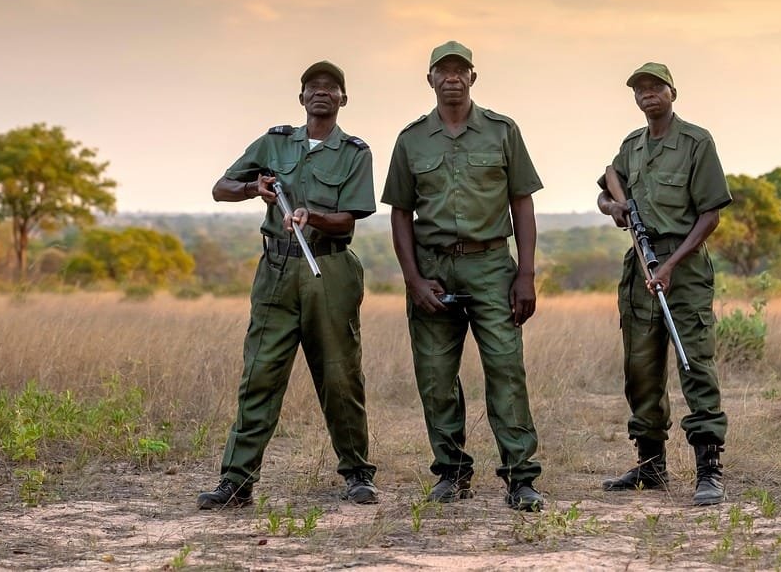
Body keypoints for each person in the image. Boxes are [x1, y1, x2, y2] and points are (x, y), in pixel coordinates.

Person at [197, 61, 378, 509]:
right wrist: (252, 189)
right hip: (276, 269)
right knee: (260, 374)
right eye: (313, 87)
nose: (322, 93)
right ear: (301, 98)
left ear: (343, 98)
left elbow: (348, 219)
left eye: (331, 87)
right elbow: (221, 188)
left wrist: (310, 215)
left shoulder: (355, 152)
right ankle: (237, 482)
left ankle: (357, 474)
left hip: (329, 269)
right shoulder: (275, 141)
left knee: (340, 376)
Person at [381, 40, 546, 512]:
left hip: (492, 265)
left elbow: (522, 203)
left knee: (505, 369)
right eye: (442, 70)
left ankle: (521, 477)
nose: (452, 77)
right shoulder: (411, 139)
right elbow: (400, 213)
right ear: (429, 79)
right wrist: (412, 279)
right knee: (435, 375)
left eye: (461, 70)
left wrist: (526, 274)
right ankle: (451, 473)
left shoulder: (501, 131)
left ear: (474, 77)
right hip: (433, 267)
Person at [596, 62, 732, 506]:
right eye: (640, 89)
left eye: (656, 87)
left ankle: (708, 469)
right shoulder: (632, 146)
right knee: (640, 369)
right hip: (639, 262)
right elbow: (604, 190)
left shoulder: (697, 142)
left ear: (673, 92)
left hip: (683, 266)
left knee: (694, 363)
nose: (647, 94)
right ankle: (650, 465)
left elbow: (710, 214)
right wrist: (612, 208)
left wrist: (670, 264)